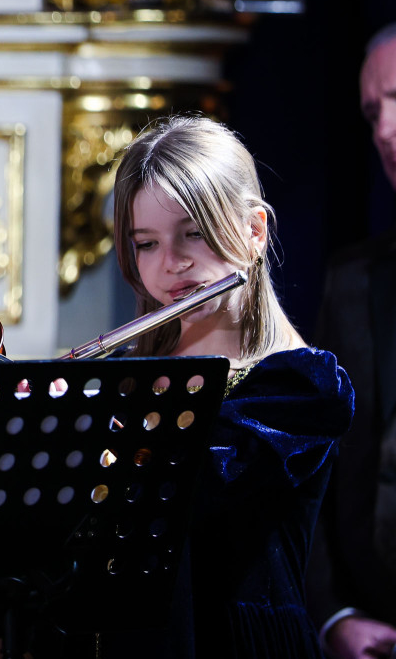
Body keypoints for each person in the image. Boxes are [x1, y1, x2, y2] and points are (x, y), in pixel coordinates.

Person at [103, 115, 353, 658]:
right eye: (146, 243)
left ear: (254, 231)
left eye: (193, 233)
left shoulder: (303, 387)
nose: (171, 264)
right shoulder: (126, 376)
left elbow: (194, 486)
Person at [308, 22, 396, 659]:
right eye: (373, 112)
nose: (384, 130)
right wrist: (333, 614)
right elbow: (314, 469)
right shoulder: (351, 279)